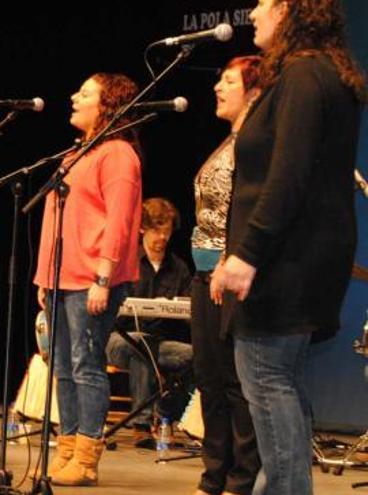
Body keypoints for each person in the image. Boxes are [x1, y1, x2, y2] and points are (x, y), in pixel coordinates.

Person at [214, 1, 365, 493]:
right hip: (305, 256)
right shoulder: (323, 74)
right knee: (282, 383)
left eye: (262, 3)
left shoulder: (302, 78)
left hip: (285, 261)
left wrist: (247, 253)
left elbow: (288, 176)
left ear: (288, 10)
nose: (253, 12)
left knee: (267, 378)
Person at [34, 73, 142, 486]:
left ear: (108, 105)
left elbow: (118, 219)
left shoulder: (117, 153)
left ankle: (87, 455)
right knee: (62, 366)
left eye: (85, 93)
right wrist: (45, 276)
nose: (74, 98)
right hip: (61, 278)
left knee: (86, 363)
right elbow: (57, 220)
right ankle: (67, 448)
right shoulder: (75, 154)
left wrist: (104, 275)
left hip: (92, 278)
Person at [191, 55, 262, 495]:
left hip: (229, 275)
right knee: (209, 380)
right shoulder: (227, 142)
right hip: (203, 276)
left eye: (229, 80)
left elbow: (248, 210)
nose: (218, 86)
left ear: (254, 91)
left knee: (236, 385)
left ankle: (241, 479)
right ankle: (212, 476)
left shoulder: (254, 145)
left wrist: (226, 263)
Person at [106, 197, 192, 449]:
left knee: (194, 356)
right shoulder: (126, 262)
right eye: (156, 230)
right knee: (140, 343)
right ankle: (141, 424)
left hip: (159, 343)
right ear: (143, 229)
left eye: (166, 231)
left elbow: (187, 309)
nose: (162, 237)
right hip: (119, 340)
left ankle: (165, 418)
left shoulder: (179, 269)